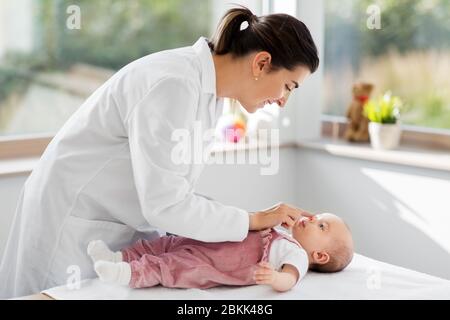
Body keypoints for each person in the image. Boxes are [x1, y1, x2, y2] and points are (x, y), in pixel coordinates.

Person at [0, 6, 319, 298]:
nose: (282, 100)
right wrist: (252, 219)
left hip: (112, 224)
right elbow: (165, 204)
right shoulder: (173, 83)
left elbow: (173, 190)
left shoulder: (211, 96)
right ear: (261, 63)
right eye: (289, 86)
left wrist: (248, 224)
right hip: (70, 223)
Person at [89, 213, 353, 292]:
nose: (312, 219)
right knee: (168, 243)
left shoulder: (296, 254)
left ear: (319, 256)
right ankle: (119, 257)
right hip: (216, 240)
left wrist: (274, 278)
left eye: (321, 225)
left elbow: (290, 279)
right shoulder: (283, 233)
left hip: (220, 262)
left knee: (177, 264)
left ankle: (127, 273)